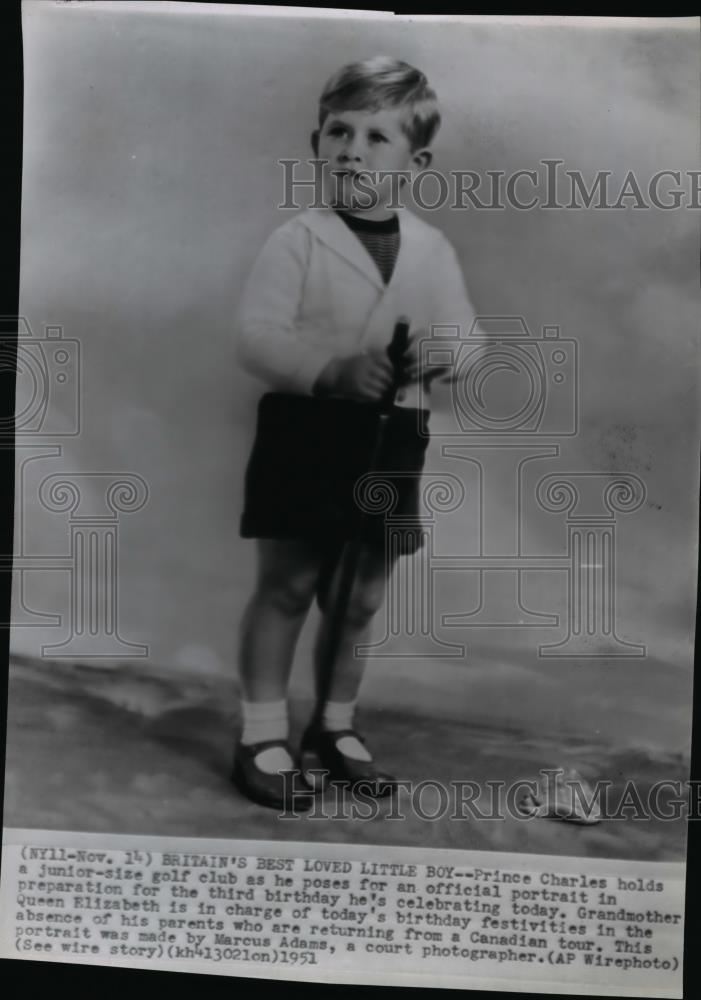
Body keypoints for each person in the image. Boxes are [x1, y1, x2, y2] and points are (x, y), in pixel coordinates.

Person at [234, 55, 477, 809]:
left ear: (416, 160)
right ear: (316, 143)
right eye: (339, 132)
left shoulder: (431, 249)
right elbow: (256, 336)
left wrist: (442, 356)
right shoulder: (298, 240)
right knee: (290, 585)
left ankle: (332, 729)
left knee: (360, 595)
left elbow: (469, 342)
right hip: (306, 432)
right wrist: (331, 369)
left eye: (377, 137)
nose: (352, 150)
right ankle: (262, 734)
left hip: (392, 437)